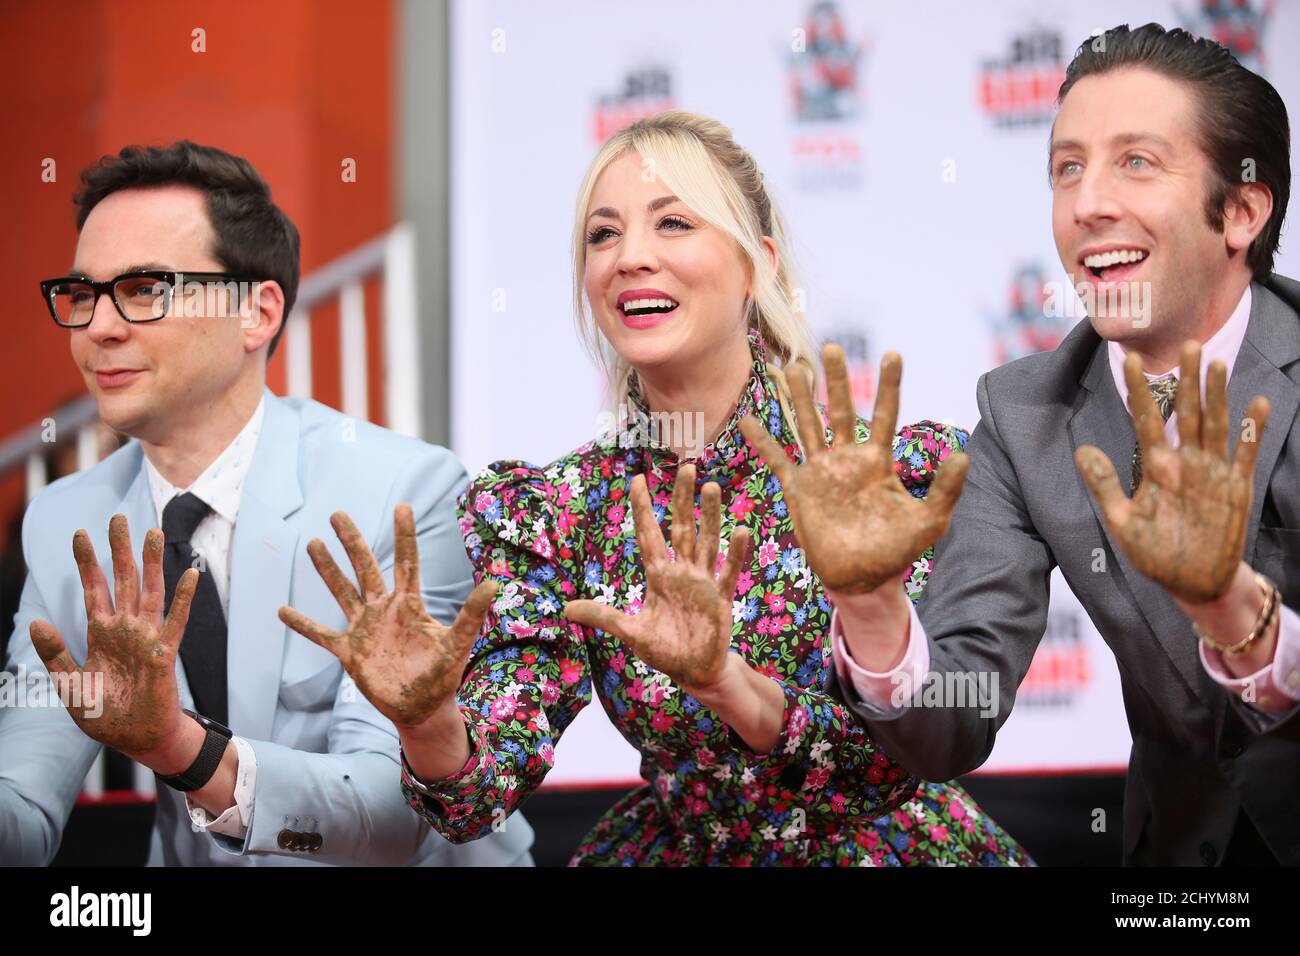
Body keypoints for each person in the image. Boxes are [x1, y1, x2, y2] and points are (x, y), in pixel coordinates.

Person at [283, 111, 1032, 865]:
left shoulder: (884, 479)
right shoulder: (560, 510)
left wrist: (731, 686)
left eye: (673, 223)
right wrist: (425, 722)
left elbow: (906, 758)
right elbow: (477, 794)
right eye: (603, 235)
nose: (630, 257)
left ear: (757, 264)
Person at [801, 24, 1299, 865]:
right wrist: (874, 612)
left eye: (1136, 162)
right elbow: (957, 715)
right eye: (1067, 167)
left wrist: (1236, 615)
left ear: (1243, 210)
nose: (1086, 203)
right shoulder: (1024, 414)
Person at [2, 141, 533, 867]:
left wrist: (179, 748)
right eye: (82, 294)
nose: (98, 328)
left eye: (145, 289)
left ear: (257, 312)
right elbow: (22, 813)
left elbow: (394, 815)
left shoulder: (404, 492)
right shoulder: (66, 520)